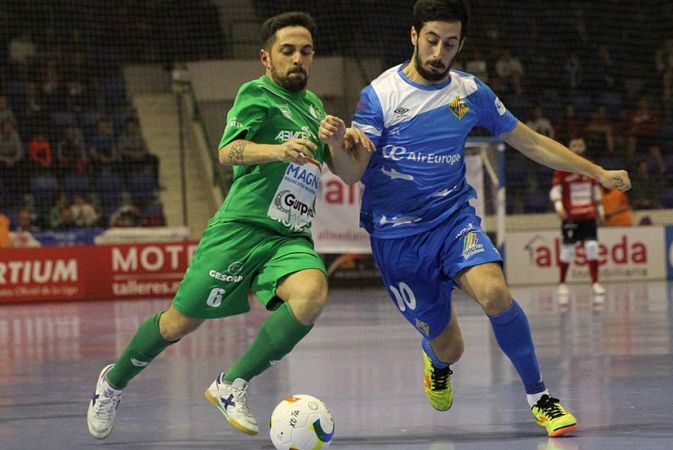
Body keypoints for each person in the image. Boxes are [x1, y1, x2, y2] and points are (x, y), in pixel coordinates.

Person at [334, 0, 630, 438]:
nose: (439, 52)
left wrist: (597, 172)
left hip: (452, 219)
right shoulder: (379, 95)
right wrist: (340, 146)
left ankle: (540, 396)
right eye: (431, 40)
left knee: (494, 293)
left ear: (460, 45)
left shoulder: (470, 92)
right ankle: (436, 361)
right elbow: (352, 172)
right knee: (450, 347)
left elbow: (530, 142)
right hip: (397, 236)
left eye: (449, 44)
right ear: (414, 35)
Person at [87, 12, 372, 440]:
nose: (298, 58)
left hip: (288, 236)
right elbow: (227, 151)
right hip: (240, 229)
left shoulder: (314, 108)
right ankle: (112, 383)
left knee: (312, 292)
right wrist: (277, 151)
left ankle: (231, 383)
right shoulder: (254, 94)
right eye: (288, 50)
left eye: (306, 51)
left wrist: (336, 143)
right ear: (266, 57)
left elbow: (349, 175)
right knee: (178, 324)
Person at [550, 138, 607, 299]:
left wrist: (600, 212)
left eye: (580, 145)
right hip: (571, 218)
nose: (577, 148)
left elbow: (595, 191)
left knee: (592, 248)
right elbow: (556, 191)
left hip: (588, 216)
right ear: (569, 147)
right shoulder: (562, 167)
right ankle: (562, 284)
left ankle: (595, 283)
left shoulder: (590, 166)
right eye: (574, 145)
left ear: (584, 147)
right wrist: (559, 208)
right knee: (568, 250)